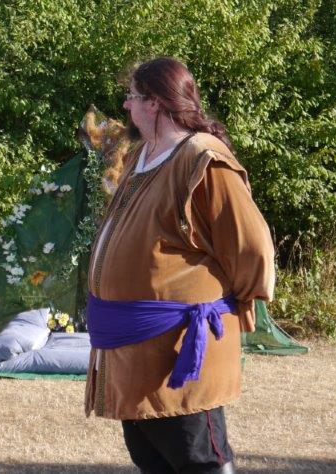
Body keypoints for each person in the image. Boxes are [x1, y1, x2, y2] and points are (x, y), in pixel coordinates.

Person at [84, 57, 276, 474]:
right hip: (133, 349)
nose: (126, 105)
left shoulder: (202, 160)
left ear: (154, 102)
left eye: (132, 96)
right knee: (151, 457)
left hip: (179, 349)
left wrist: (235, 304)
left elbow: (252, 247)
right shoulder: (142, 155)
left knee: (197, 460)